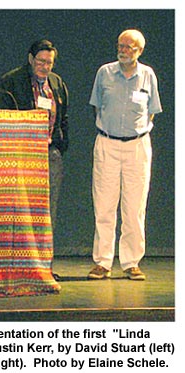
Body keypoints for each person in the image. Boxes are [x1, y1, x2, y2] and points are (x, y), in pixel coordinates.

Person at [88, 29, 162, 280]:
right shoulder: (104, 73)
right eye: (121, 45)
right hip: (107, 143)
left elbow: (151, 111)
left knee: (134, 206)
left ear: (140, 51)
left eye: (129, 47)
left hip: (137, 146)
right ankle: (103, 262)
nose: (123, 50)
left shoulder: (148, 75)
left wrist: (134, 133)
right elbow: (97, 107)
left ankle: (131, 262)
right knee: (104, 205)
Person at [0, 39, 69, 235]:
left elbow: (63, 117)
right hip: (20, 156)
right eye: (40, 62)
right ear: (30, 59)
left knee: (49, 209)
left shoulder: (56, 83)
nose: (44, 67)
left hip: (49, 154)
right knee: (20, 209)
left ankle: (44, 260)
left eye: (49, 63)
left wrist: (60, 143)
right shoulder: (11, 81)